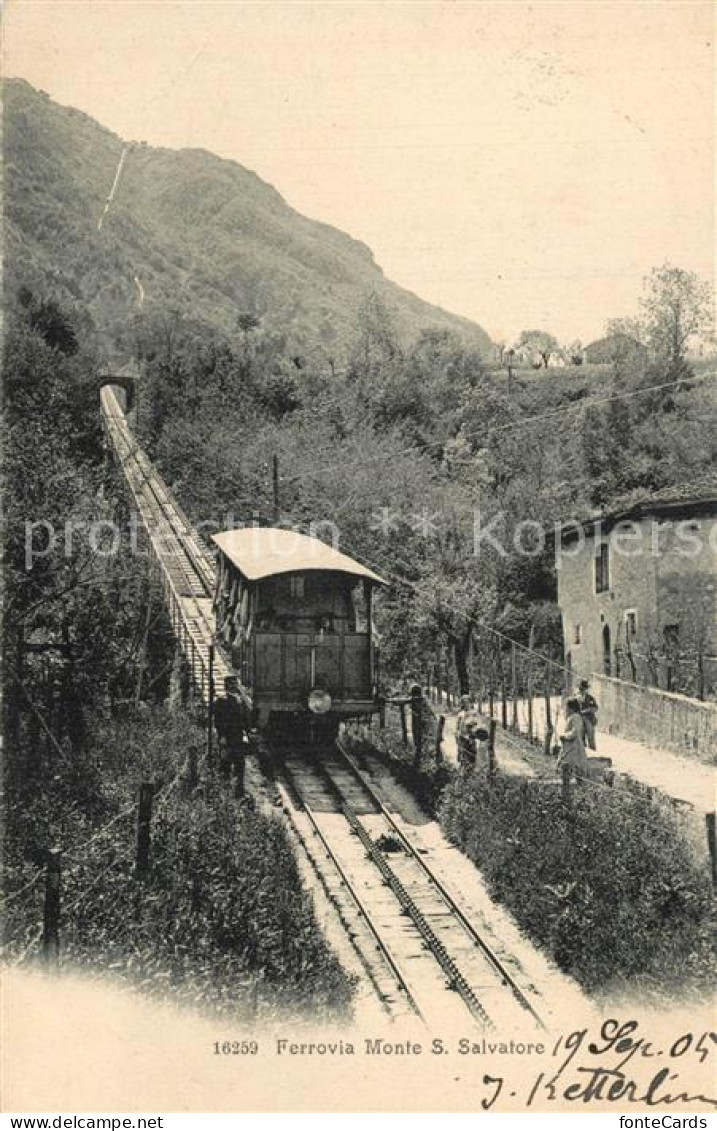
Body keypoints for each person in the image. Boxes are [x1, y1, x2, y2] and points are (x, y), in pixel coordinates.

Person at [214, 675, 251, 797]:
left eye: (236, 683)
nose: (234, 686)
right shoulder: (222, 700)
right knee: (225, 764)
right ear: (226, 686)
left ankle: (239, 793)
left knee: (240, 765)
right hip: (228, 737)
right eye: (232, 684)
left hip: (238, 736)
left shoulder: (240, 700)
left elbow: (245, 717)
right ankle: (223, 792)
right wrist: (222, 736)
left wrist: (248, 730)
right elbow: (219, 721)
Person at [559, 697, 588, 779]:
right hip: (570, 745)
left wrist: (565, 736)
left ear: (571, 708)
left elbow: (575, 731)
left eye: (567, 707)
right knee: (567, 765)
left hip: (574, 746)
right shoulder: (572, 717)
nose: (566, 709)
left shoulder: (576, 717)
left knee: (573, 765)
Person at [455, 694, 478, 771]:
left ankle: (471, 770)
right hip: (462, 736)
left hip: (471, 736)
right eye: (464, 702)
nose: (466, 704)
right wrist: (456, 735)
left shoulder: (474, 713)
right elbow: (457, 726)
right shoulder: (460, 714)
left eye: (467, 702)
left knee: (472, 754)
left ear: (470, 703)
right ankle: (463, 769)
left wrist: (473, 734)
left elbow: (476, 725)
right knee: (462, 753)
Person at [577, 678, 599, 751]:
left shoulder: (590, 698)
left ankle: (593, 754)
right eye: (582, 689)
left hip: (589, 719)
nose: (583, 690)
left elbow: (595, 708)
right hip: (579, 720)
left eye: (585, 689)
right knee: (580, 738)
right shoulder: (576, 698)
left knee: (591, 738)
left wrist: (588, 710)